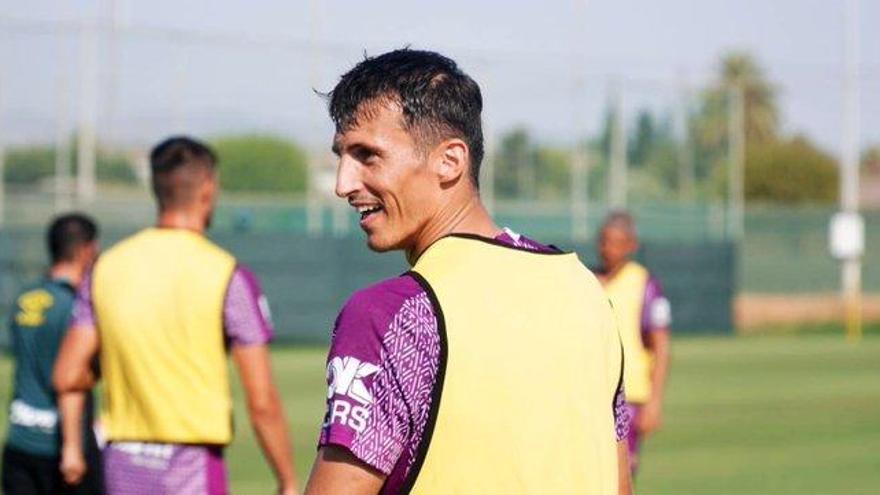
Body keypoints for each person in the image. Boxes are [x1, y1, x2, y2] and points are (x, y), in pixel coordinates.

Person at [305, 49, 631, 495]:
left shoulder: (391, 315)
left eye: (368, 156)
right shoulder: (585, 290)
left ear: (450, 161)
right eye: (342, 156)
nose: (344, 183)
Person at [52, 137, 298, 495]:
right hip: (190, 468)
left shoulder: (105, 269)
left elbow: (67, 375)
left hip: (122, 464)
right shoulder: (226, 275)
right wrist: (287, 480)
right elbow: (262, 403)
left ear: (156, 188)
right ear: (208, 188)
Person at [2, 213, 102, 494]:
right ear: (86, 250)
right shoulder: (75, 310)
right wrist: (72, 447)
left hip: (19, 440)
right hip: (58, 447)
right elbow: (69, 382)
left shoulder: (25, 298)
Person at [595, 211, 671, 475]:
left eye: (616, 242)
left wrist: (654, 401)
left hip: (628, 397)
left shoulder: (645, 284)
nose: (608, 249)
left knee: (621, 472)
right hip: (592, 391)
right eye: (604, 241)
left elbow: (660, 345)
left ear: (631, 245)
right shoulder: (588, 280)